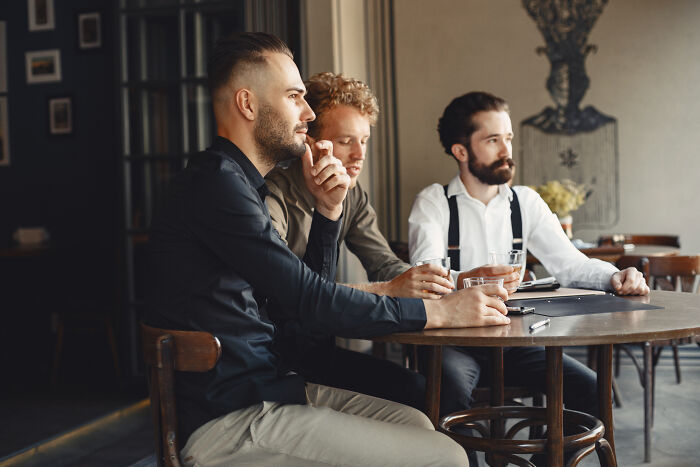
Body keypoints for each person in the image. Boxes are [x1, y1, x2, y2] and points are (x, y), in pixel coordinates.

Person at [146, 33, 511, 467]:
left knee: (418, 422)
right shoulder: (217, 186)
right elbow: (310, 301)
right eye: (294, 96)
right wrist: (442, 313)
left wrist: (327, 212)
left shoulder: (239, 185)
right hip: (231, 418)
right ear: (247, 104)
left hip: (269, 390)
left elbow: (296, 310)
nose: (309, 113)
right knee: (447, 457)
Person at [408, 90, 649, 429]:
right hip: (453, 341)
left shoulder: (526, 202)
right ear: (460, 151)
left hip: (515, 339)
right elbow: (425, 277)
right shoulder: (433, 202)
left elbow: (570, 263)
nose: (507, 151)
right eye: (493, 140)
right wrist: (471, 279)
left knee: (593, 390)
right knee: (450, 394)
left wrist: (615, 276)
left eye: (508, 138)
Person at [265, 72, 454, 410]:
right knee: (420, 392)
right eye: (346, 140)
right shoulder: (274, 193)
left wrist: (443, 283)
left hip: (319, 348)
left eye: (364, 140)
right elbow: (286, 296)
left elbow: (384, 262)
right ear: (311, 141)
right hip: (276, 358)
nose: (359, 154)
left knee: (433, 389)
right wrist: (393, 288)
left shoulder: (352, 195)